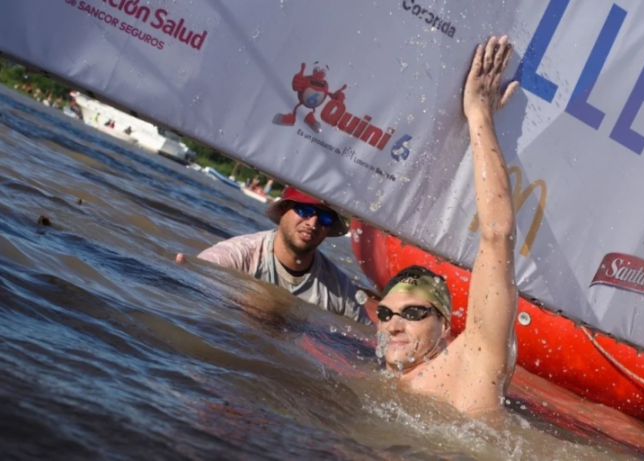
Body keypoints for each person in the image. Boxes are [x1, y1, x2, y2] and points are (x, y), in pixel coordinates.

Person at [376, 35, 520, 417]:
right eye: (386, 314)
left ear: (444, 325)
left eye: (412, 314)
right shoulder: (385, 383)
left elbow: (498, 234)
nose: (393, 326)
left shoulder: (470, 364)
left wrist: (479, 115)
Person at [178, 187, 372, 325]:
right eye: (305, 210)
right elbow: (191, 290)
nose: (312, 223)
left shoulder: (340, 288)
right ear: (282, 209)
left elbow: (362, 343)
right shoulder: (238, 255)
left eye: (325, 217)